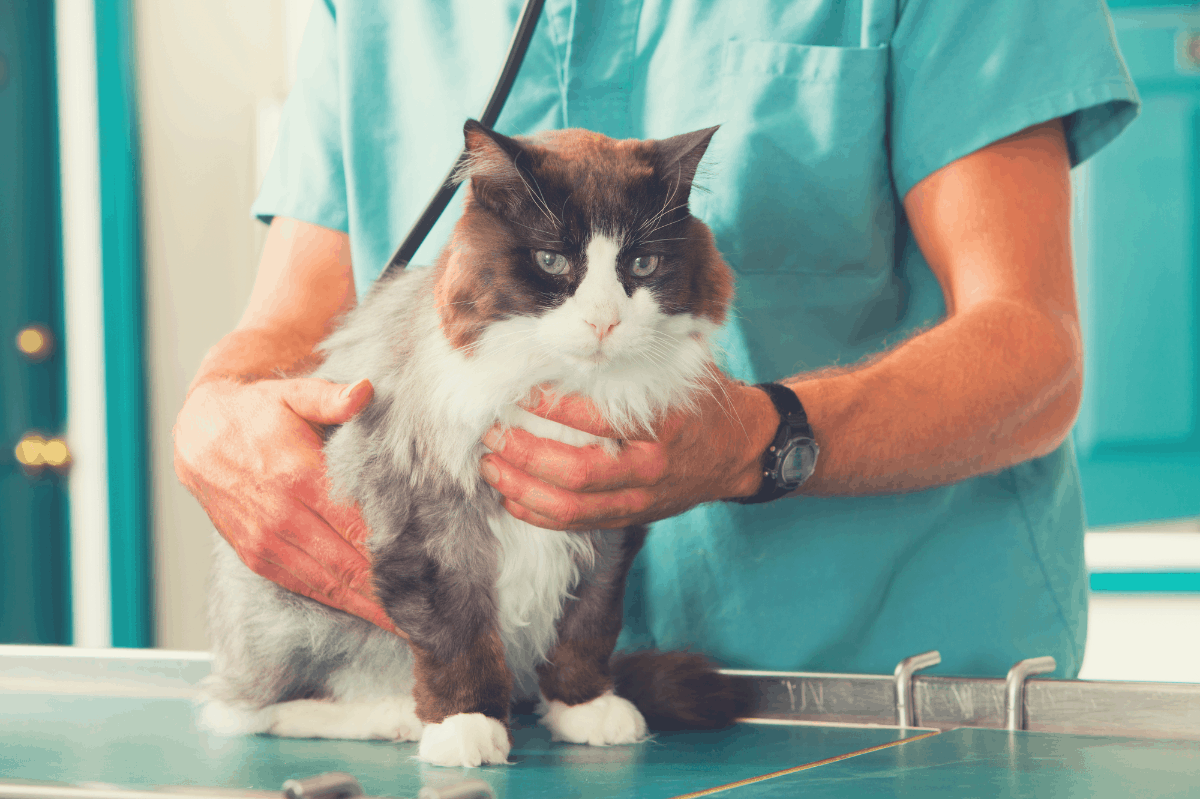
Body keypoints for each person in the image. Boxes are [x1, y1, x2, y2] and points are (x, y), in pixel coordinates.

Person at [174, 0, 1139, 678]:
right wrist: (214, 414)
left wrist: (758, 441)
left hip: (884, 687)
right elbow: (290, 329)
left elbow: (1033, 350)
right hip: (518, 707)